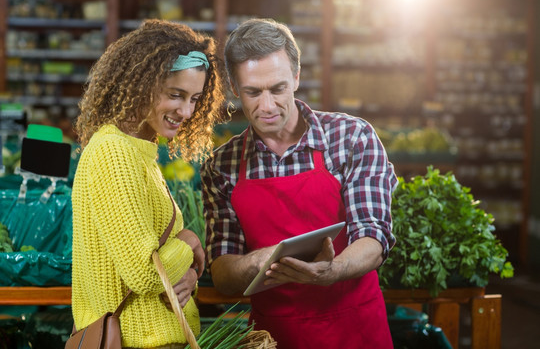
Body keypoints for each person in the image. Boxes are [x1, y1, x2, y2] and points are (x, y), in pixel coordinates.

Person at [200, 18, 397, 348]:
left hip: (356, 331)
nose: (267, 106)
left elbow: (374, 234)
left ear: (296, 77)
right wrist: (257, 261)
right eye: (252, 92)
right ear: (235, 89)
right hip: (274, 337)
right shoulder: (222, 167)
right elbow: (222, 272)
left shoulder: (352, 138)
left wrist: (334, 270)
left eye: (277, 89)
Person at [71, 19, 226, 348]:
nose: (186, 110)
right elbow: (144, 273)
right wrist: (191, 244)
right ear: (141, 84)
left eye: (195, 99)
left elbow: (158, 267)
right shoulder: (114, 153)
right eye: (176, 95)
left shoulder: (140, 152)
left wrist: (190, 275)